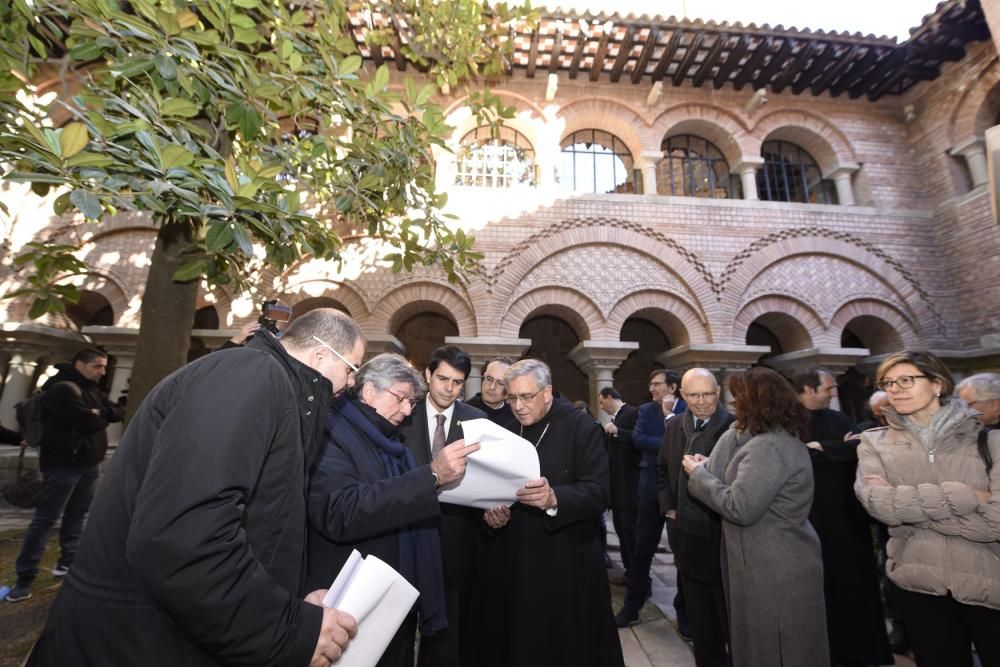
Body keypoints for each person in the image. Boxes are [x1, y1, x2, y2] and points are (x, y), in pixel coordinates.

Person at [26, 309, 363, 666]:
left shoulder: (275, 389)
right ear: (321, 354)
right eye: (352, 369)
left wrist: (289, 604)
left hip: (176, 634)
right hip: (135, 640)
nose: (353, 383)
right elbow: (184, 539)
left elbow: (258, 528)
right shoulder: (247, 374)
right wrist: (284, 629)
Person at [306, 353, 480, 667]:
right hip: (351, 598)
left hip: (392, 597)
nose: (406, 411)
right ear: (369, 390)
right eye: (400, 399)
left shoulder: (389, 441)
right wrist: (432, 476)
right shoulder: (333, 432)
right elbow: (340, 511)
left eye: (411, 403)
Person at [855, 351, 1000, 667]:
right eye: (888, 383)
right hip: (919, 588)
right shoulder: (873, 442)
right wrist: (970, 496)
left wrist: (912, 511)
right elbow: (879, 506)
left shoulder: (990, 441)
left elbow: (997, 524)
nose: (895, 389)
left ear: (937, 384)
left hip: (990, 583)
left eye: (906, 380)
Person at [482, 359, 624, 667]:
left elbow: (599, 493)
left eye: (525, 397)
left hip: (566, 560)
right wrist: (494, 514)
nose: (517, 406)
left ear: (546, 392)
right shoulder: (508, 428)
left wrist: (554, 497)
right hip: (516, 560)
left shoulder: (581, 426)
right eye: (511, 398)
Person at [685, 367, 829, 667]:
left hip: (772, 566)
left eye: (740, 400)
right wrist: (711, 464)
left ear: (758, 403)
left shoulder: (768, 446)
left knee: (774, 649)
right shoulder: (776, 438)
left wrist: (699, 476)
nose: (735, 406)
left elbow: (740, 506)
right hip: (775, 558)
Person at [790, 367, 892, 667]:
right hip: (812, 520)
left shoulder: (838, 419)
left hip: (849, 520)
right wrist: (840, 449)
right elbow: (797, 458)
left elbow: (861, 448)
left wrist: (824, 448)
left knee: (856, 590)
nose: (833, 393)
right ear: (808, 390)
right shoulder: (789, 421)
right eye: (827, 388)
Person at [6, 348, 123, 603]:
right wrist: (98, 415)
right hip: (63, 465)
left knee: (77, 514)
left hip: (88, 463)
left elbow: (116, 412)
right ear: (79, 364)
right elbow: (89, 422)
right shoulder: (61, 389)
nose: (103, 373)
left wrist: (98, 413)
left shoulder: (90, 389)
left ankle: (67, 562)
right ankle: (24, 578)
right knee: (45, 519)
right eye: (97, 367)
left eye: (104, 367)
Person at [398, 346, 486, 667]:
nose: (449, 388)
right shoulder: (402, 414)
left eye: (458, 382)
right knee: (399, 627)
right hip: (406, 533)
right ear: (428, 375)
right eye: (443, 379)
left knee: (446, 638)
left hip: (455, 540)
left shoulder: (477, 421)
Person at [657, 369, 735, 667]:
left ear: (718, 392)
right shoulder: (675, 425)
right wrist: (669, 508)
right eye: (693, 395)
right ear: (682, 396)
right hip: (686, 534)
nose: (701, 402)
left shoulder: (734, 427)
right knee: (700, 619)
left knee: (728, 615)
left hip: (721, 534)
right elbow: (662, 469)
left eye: (708, 394)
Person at [616, 368, 687, 630]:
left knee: (682, 554)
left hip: (681, 491)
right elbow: (638, 440)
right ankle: (632, 607)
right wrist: (671, 444)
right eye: (651, 384)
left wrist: (670, 419)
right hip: (648, 490)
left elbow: (690, 443)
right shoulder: (645, 410)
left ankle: (685, 615)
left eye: (657, 384)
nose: (652, 388)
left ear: (672, 387)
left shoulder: (687, 409)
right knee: (641, 550)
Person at [598, 386, 639, 586]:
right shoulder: (616, 417)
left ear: (609, 397)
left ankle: (637, 578)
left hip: (629, 488)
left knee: (630, 535)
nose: (601, 406)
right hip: (618, 488)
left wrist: (618, 432)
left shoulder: (632, 413)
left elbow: (638, 440)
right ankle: (630, 573)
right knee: (623, 533)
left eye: (602, 401)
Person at [465, 355, 514, 425]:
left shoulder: (516, 414)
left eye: (500, 383)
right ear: (483, 378)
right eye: (489, 379)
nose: (492, 387)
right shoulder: (465, 411)